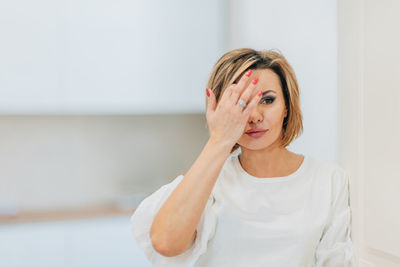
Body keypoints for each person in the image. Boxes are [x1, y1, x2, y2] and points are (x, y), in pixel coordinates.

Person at [130, 48, 356, 266]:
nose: (255, 116)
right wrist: (219, 139)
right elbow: (165, 243)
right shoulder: (209, 183)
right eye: (241, 104)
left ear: (286, 106)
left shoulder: (328, 180)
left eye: (267, 100)